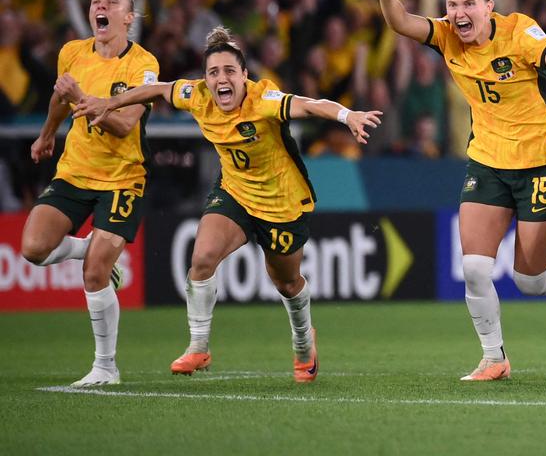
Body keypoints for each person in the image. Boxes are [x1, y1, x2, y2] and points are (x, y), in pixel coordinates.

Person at [75, 26, 383, 384]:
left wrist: (348, 116)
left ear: (244, 75)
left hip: (281, 202)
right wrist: (109, 103)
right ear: (205, 79)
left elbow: (310, 105)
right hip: (235, 192)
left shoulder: (263, 100)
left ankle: (303, 343)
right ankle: (198, 347)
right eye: (213, 72)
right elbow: (157, 89)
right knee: (202, 258)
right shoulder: (197, 95)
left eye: (229, 71)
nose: (221, 79)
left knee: (286, 282)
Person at [371, 0, 546, 382]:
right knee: (474, 268)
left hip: (544, 162)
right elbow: (400, 21)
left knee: (529, 280)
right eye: (452, 5)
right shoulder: (445, 36)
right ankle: (494, 357)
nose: (458, 13)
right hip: (488, 162)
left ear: (489, 6)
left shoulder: (518, 32)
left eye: (468, 4)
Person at [24, 0, 157, 387]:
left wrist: (80, 94)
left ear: (128, 17)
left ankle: (105, 367)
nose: (101, 7)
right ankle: (90, 249)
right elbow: (59, 99)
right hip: (75, 172)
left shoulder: (143, 64)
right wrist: (47, 134)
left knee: (95, 273)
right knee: (33, 248)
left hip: (122, 178)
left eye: (112, 3)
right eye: (96, 2)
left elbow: (125, 124)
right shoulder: (72, 52)